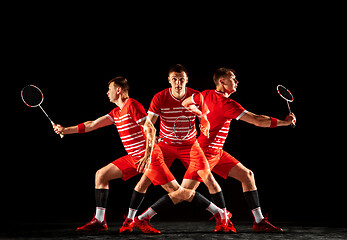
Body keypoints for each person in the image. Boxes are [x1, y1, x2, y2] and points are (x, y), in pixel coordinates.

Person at [52, 76, 194, 232]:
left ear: (118, 90)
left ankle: (218, 212)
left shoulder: (132, 105)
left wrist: (147, 155)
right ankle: (100, 221)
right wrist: (66, 130)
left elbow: (150, 130)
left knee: (181, 193)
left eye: (109, 89)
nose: (107, 93)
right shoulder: (116, 112)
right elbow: (92, 125)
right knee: (101, 175)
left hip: (150, 157)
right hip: (133, 158)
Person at [182, 67, 296, 232]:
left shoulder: (205, 94)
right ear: (222, 82)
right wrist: (285, 122)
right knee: (184, 193)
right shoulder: (227, 104)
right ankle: (141, 218)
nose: (237, 81)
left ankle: (259, 222)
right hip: (202, 153)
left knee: (247, 175)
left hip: (217, 152)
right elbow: (257, 120)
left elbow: (185, 102)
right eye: (233, 78)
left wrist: (201, 116)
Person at [125, 64, 235, 234]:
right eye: (174, 79)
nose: (178, 83)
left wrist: (204, 123)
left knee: (210, 180)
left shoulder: (195, 95)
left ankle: (223, 220)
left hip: (190, 145)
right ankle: (130, 220)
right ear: (169, 80)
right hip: (165, 146)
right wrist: (149, 138)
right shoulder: (160, 97)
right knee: (144, 180)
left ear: (187, 80)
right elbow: (149, 123)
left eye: (181, 79)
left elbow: (204, 117)